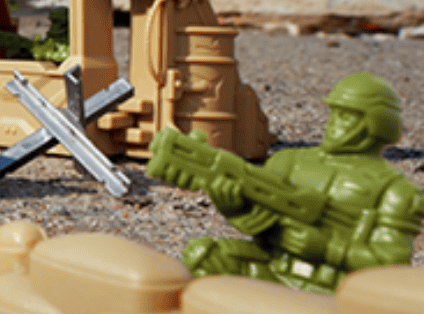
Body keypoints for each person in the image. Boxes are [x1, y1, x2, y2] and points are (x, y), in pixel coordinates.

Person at [180, 73, 422, 294]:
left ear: (377, 123)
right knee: (203, 256)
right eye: (334, 113)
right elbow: (263, 230)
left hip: (337, 293)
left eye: (346, 116)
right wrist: (234, 207)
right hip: (274, 270)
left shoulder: (397, 190)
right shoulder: (289, 161)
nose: (332, 124)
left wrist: (328, 249)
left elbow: (392, 262)